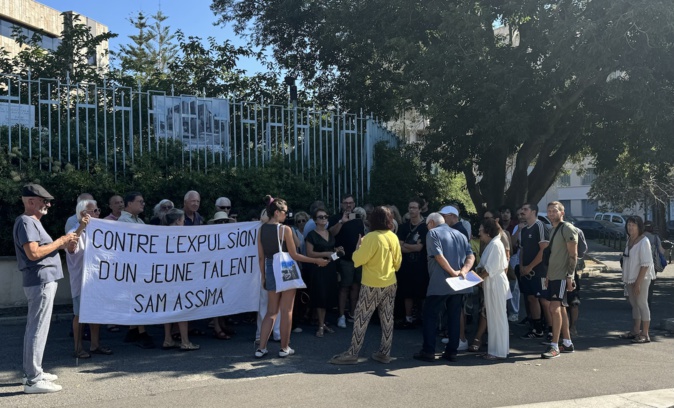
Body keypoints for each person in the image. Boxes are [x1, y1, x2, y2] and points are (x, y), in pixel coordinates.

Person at [14, 183, 76, 393]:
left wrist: (65, 242)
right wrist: (61, 241)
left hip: (42, 281)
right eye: (44, 201)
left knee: (37, 328)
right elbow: (33, 253)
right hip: (40, 281)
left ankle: (33, 372)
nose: (48, 204)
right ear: (31, 202)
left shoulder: (31, 222)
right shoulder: (26, 222)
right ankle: (33, 379)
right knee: (37, 329)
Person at [256, 196, 329, 358]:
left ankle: (261, 348)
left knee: (271, 311)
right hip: (285, 268)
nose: (287, 215)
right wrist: (316, 260)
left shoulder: (261, 229)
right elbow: (295, 255)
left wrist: (263, 276)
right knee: (287, 310)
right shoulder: (285, 230)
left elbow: (261, 257)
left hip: (269, 268)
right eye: (285, 212)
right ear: (276, 212)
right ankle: (284, 347)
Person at [329, 206, 402, 364]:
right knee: (387, 319)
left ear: (373, 219)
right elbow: (398, 264)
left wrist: (358, 247)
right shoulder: (393, 237)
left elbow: (357, 260)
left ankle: (353, 353)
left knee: (361, 319)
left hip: (371, 284)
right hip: (390, 282)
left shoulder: (371, 237)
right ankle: (384, 352)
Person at [413, 213, 474, 363]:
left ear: (431, 223)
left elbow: (438, 256)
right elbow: (471, 256)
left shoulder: (432, 233)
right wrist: (463, 271)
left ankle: (429, 350)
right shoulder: (460, 234)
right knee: (454, 316)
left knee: (430, 315)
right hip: (460, 283)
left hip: (440, 283)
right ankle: (452, 351)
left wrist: (452, 273)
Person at [66, 199, 114, 359]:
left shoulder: (98, 232)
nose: (98, 213)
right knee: (79, 315)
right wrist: (82, 226)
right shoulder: (74, 231)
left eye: (98, 210)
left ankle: (95, 344)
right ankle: (78, 348)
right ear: (83, 214)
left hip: (96, 281)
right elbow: (71, 247)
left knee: (95, 313)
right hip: (81, 282)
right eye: (95, 211)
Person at [118, 192, 155, 348]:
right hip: (132, 266)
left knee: (137, 297)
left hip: (140, 265)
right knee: (138, 297)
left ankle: (133, 330)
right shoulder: (123, 221)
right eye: (139, 201)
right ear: (129, 204)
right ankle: (141, 332)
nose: (143, 204)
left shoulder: (138, 220)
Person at [540, 201, 577, 359]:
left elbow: (573, 255)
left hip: (562, 276)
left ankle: (555, 346)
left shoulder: (567, 228)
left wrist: (570, 276)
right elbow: (553, 255)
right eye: (549, 211)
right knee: (560, 308)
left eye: (554, 211)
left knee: (554, 308)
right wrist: (548, 274)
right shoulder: (552, 229)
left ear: (562, 213)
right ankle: (567, 343)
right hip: (553, 275)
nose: (551, 213)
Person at [160, 209, 200, 351]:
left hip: (164, 276)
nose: (184, 223)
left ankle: (167, 339)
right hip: (179, 276)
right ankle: (185, 341)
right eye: (183, 220)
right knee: (181, 307)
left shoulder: (160, 234)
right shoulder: (182, 235)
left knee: (167, 306)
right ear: (178, 221)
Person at [329, 194, 365, 329]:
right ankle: (341, 316)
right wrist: (341, 222)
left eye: (351, 203)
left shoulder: (357, 218)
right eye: (346, 203)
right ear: (341, 204)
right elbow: (331, 234)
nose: (349, 205)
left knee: (356, 286)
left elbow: (361, 237)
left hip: (358, 259)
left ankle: (352, 313)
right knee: (344, 287)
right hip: (344, 260)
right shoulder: (335, 218)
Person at [475, 218, 510, 360]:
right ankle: (494, 349)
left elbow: (489, 269)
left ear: (488, 232)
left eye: (481, 231)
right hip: (491, 282)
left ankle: (499, 351)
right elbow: (483, 265)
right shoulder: (492, 243)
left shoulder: (496, 244)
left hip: (496, 282)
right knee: (492, 316)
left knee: (498, 316)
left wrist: (477, 279)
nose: (479, 234)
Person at [305, 208, 342, 337]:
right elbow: (310, 253)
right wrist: (326, 253)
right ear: (315, 220)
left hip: (330, 268)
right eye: (321, 217)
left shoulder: (330, 234)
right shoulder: (311, 235)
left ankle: (323, 323)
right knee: (320, 296)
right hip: (318, 268)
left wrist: (337, 253)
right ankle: (320, 325)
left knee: (328, 296)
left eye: (326, 216)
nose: (324, 218)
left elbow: (333, 254)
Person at [619, 216, 655, 344]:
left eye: (633, 225)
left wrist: (638, 283)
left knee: (642, 303)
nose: (630, 227)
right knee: (634, 304)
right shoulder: (630, 239)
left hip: (641, 278)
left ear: (639, 227)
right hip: (630, 277)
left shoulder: (643, 241)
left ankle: (645, 334)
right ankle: (635, 330)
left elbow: (645, 264)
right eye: (629, 224)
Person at [396, 197, 429, 329]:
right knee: (407, 292)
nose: (411, 210)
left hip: (420, 265)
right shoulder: (403, 227)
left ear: (420, 209)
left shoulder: (424, 227)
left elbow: (420, 248)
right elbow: (399, 245)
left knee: (421, 293)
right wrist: (413, 246)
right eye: (410, 207)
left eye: (414, 207)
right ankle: (408, 318)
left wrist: (408, 246)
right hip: (406, 265)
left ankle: (422, 317)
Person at [519, 203, 551, 340]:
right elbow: (522, 250)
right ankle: (537, 329)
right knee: (531, 298)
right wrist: (521, 266)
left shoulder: (540, 226)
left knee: (544, 300)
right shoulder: (524, 230)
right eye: (522, 209)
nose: (522, 212)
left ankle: (551, 330)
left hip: (541, 271)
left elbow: (543, 250)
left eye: (525, 209)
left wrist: (530, 267)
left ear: (533, 211)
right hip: (526, 272)